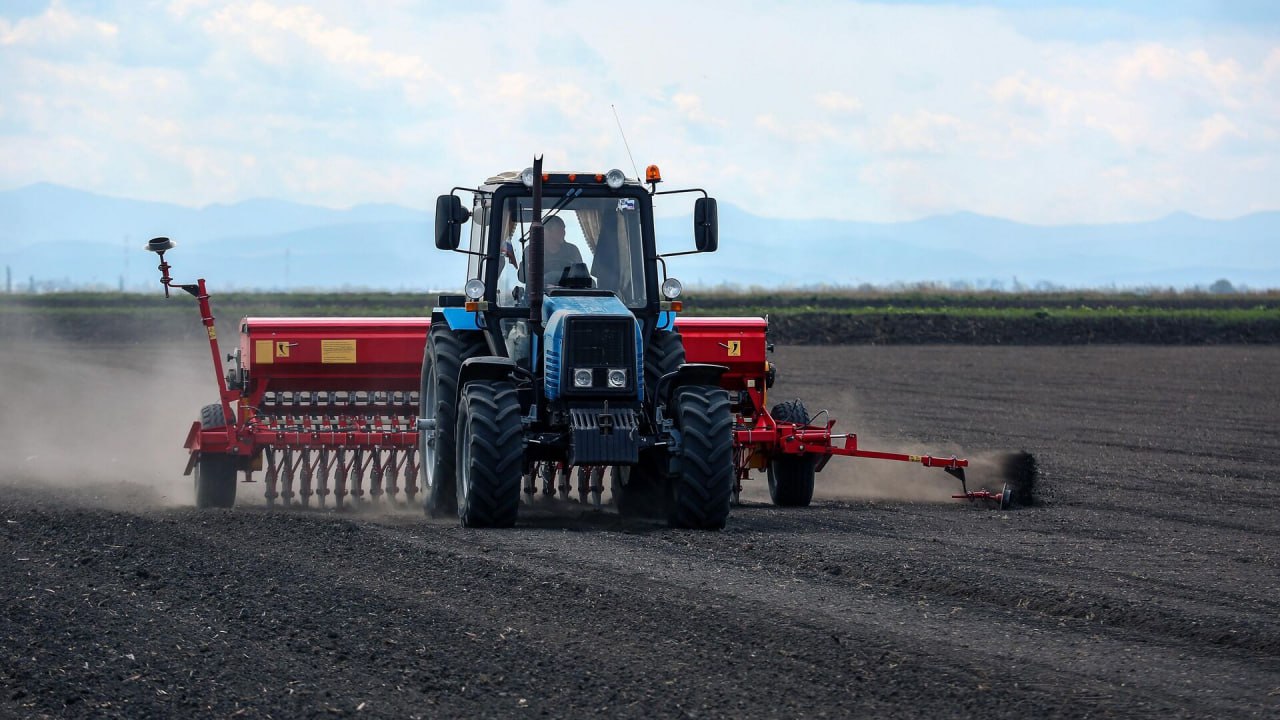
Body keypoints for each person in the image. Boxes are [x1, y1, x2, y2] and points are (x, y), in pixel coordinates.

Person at [515, 215, 584, 285]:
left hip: (568, 293)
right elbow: (522, 278)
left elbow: (582, 276)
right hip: (538, 294)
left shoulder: (572, 250)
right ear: (546, 232)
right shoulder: (532, 250)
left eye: (563, 229)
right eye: (558, 230)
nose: (563, 233)